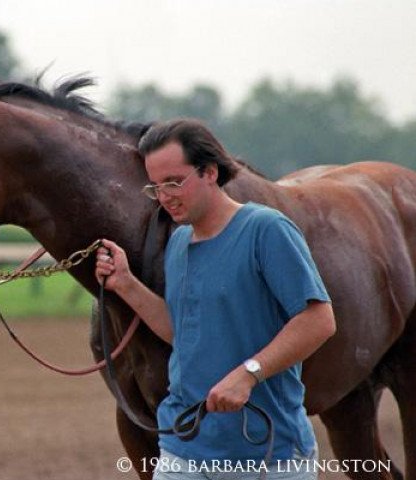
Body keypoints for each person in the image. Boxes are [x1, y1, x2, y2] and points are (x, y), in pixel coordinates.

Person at [95, 118, 336, 479]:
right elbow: (185, 333)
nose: (164, 197)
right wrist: (127, 284)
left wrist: (248, 374)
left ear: (209, 171)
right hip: (183, 450)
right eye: (156, 187)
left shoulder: (266, 230)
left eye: (174, 182)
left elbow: (319, 320)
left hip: (269, 454)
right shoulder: (178, 242)